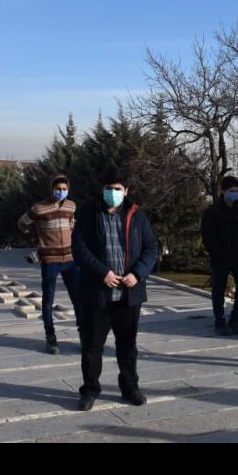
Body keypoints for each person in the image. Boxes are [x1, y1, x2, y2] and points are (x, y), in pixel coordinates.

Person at [71, 171, 159, 411]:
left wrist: (137, 274)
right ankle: (90, 390)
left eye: (118, 188)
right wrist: (103, 273)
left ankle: (130, 388)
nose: (113, 193)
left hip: (128, 295)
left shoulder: (137, 215)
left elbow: (151, 247)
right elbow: (79, 248)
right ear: (103, 189)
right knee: (92, 347)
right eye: (109, 188)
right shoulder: (89, 214)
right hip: (97, 293)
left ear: (126, 191)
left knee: (127, 346)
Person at [18, 174, 81, 354]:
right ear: (51, 189)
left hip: (70, 259)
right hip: (50, 260)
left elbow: (72, 224)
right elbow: (22, 223)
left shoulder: (71, 205)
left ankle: (83, 334)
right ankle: (51, 338)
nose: (61, 192)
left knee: (78, 299)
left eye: (64, 189)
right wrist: (36, 238)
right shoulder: (39, 208)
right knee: (48, 300)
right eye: (58, 189)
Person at [201, 176, 238, 336]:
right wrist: (217, 252)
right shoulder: (212, 212)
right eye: (232, 191)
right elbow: (208, 237)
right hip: (221, 258)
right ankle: (220, 320)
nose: (235, 194)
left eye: (237, 191)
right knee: (218, 289)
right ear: (223, 191)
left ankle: (236, 319)